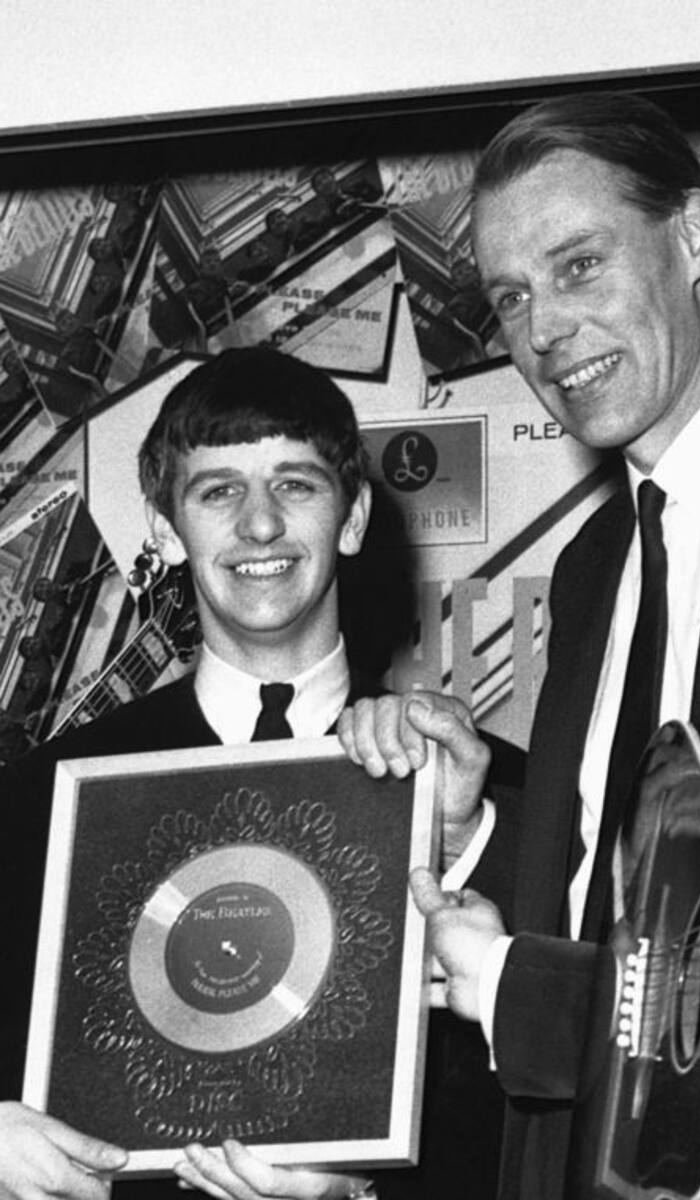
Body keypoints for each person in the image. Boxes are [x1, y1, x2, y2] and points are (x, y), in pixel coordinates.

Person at [324, 91, 700, 1200]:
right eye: (511, 297)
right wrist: (470, 833)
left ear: (694, 235)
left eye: (579, 266)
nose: (544, 331)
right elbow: (605, 900)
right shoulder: (596, 559)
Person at [0, 347, 515, 1200]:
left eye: (296, 485)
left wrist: (356, 1192)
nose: (261, 525)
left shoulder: (479, 793)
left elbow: (537, 1127)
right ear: (166, 531)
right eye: (218, 492)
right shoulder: (41, 801)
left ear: (353, 518)